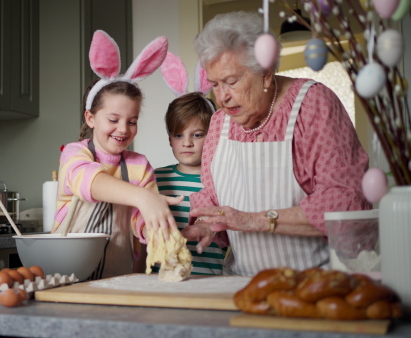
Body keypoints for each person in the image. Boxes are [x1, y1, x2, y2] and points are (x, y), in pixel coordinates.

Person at [181, 11, 371, 277]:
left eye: (232, 82)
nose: (222, 97)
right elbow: (212, 198)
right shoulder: (218, 123)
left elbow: (344, 203)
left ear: (266, 74)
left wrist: (254, 220)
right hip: (242, 283)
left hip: (316, 283)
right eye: (214, 84)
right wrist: (204, 223)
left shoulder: (313, 106)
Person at [53, 30, 183, 280]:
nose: (123, 129)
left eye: (132, 121)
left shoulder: (139, 165)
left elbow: (140, 222)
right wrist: (143, 197)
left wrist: (166, 234)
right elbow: (88, 180)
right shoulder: (75, 154)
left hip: (118, 276)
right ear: (90, 118)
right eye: (113, 119)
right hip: (67, 277)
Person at [152, 52, 224, 275]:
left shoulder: (223, 181)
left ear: (213, 136)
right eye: (178, 135)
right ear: (169, 139)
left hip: (212, 281)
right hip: (162, 281)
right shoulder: (154, 179)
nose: (187, 143)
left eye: (197, 135)